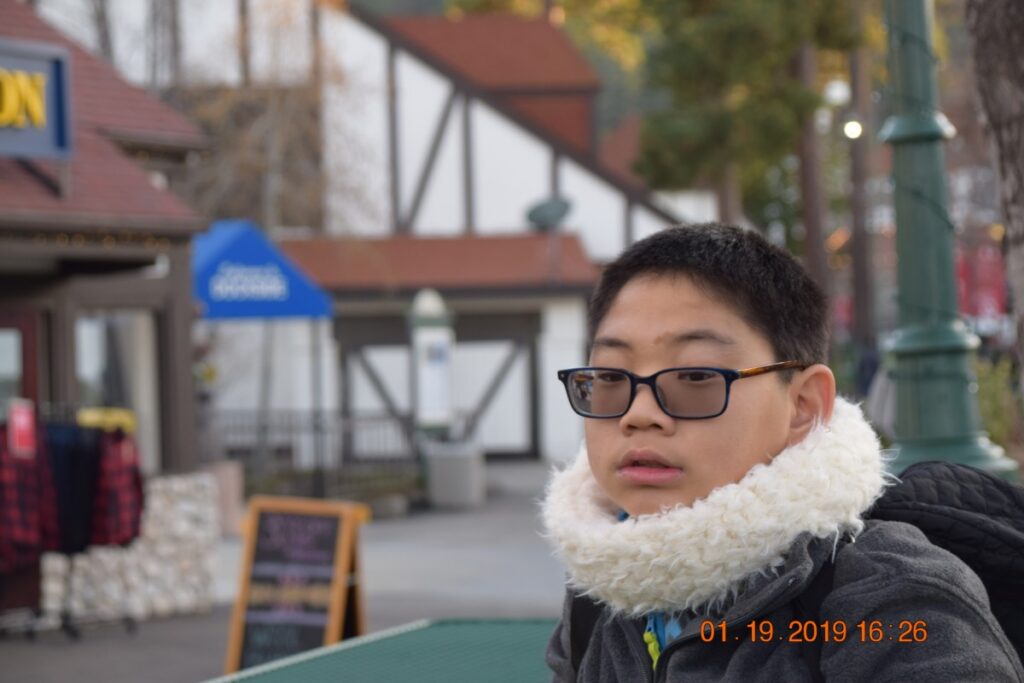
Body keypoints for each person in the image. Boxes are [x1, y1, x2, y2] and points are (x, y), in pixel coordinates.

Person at [542, 224, 1024, 681]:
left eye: (695, 376)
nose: (638, 414)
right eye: (610, 376)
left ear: (803, 405)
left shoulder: (894, 605)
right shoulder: (601, 594)